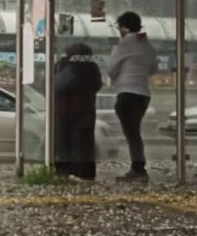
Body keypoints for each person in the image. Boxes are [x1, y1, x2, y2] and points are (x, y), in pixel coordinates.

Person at [107, 11, 158, 181]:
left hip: (127, 94)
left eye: (119, 27)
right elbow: (154, 68)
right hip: (143, 94)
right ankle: (138, 168)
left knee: (132, 134)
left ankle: (138, 169)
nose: (119, 31)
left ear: (124, 27)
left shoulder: (124, 44)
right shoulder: (146, 44)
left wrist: (118, 77)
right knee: (134, 132)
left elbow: (110, 68)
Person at [54, 43, 103, 180]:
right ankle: (84, 172)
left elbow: (55, 87)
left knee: (64, 142)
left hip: (64, 110)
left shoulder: (63, 66)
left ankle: (64, 171)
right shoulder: (92, 68)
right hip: (85, 110)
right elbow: (98, 85)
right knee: (84, 144)